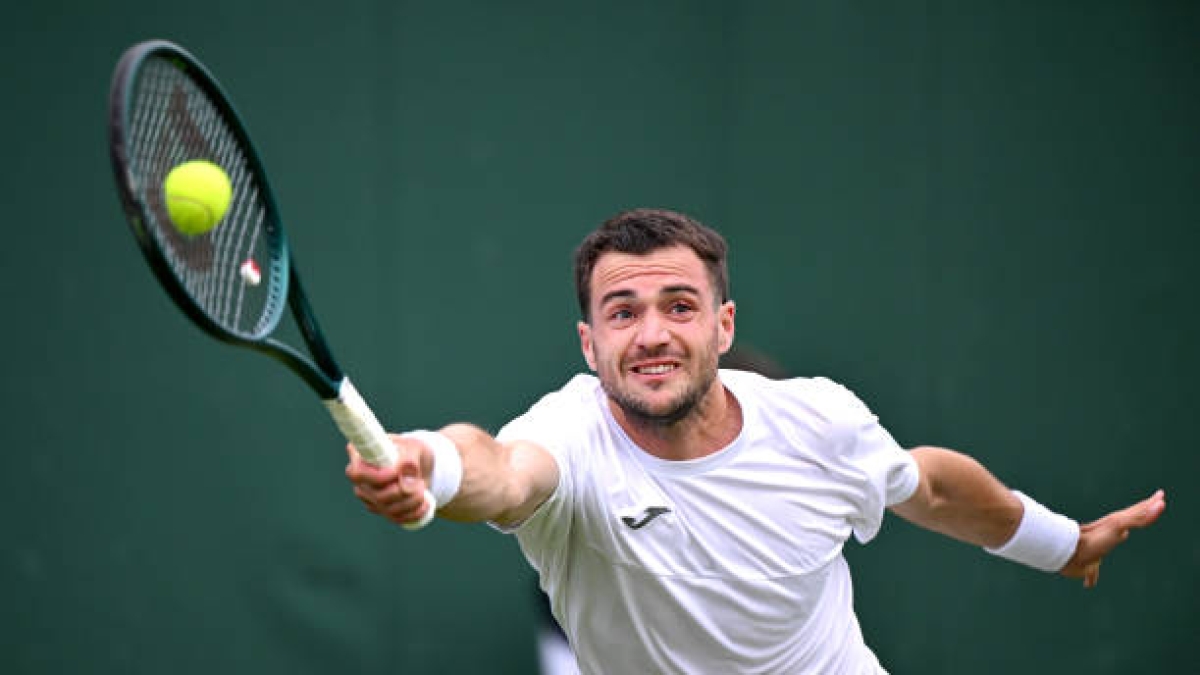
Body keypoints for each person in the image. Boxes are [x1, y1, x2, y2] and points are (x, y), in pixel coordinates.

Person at [345, 208, 1166, 673]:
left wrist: (1065, 542)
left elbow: (933, 487)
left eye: (679, 304)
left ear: (723, 324)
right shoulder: (566, 433)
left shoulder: (819, 421)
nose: (652, 333)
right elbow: (502, 470)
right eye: (623, 313)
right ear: (590, 345)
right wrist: (435, 463)